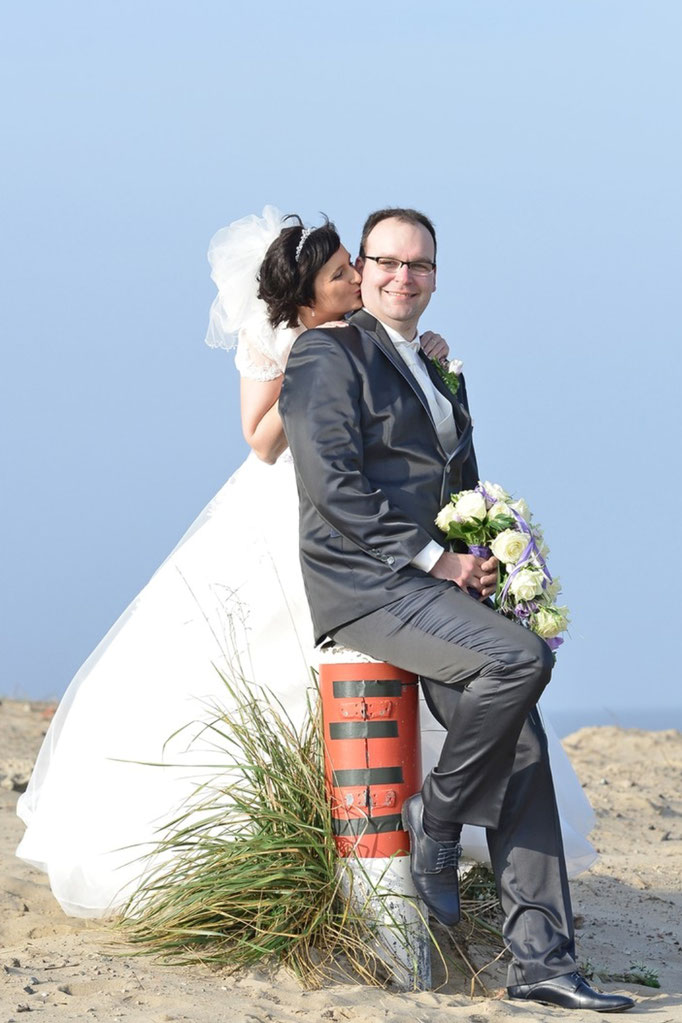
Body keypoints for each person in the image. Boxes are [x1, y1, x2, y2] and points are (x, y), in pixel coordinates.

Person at [16, 207, 594, 925]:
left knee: (505, 700)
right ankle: (392, 839)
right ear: (314, 290)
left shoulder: (394, 348)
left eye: (369, 268)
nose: (362, 280)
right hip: (327, 527)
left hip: (392, 537)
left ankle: (509, 908)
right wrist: (309, 376)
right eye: (347, 272)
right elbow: (265, 443)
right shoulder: (317, 350)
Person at [279, 207, 633, 1012]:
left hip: (439, 590)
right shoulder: (326, 353)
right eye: (388, 262)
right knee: (520, 658)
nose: (404, 277)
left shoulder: (440, 365)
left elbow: (460, 485)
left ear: (436, 276)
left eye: (421, 265)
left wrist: (489, 552)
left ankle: (542, 964)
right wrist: (436, 558)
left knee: (524, 749)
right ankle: (437, 823)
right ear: (360, 271)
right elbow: (331, 484)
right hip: (367, 585)